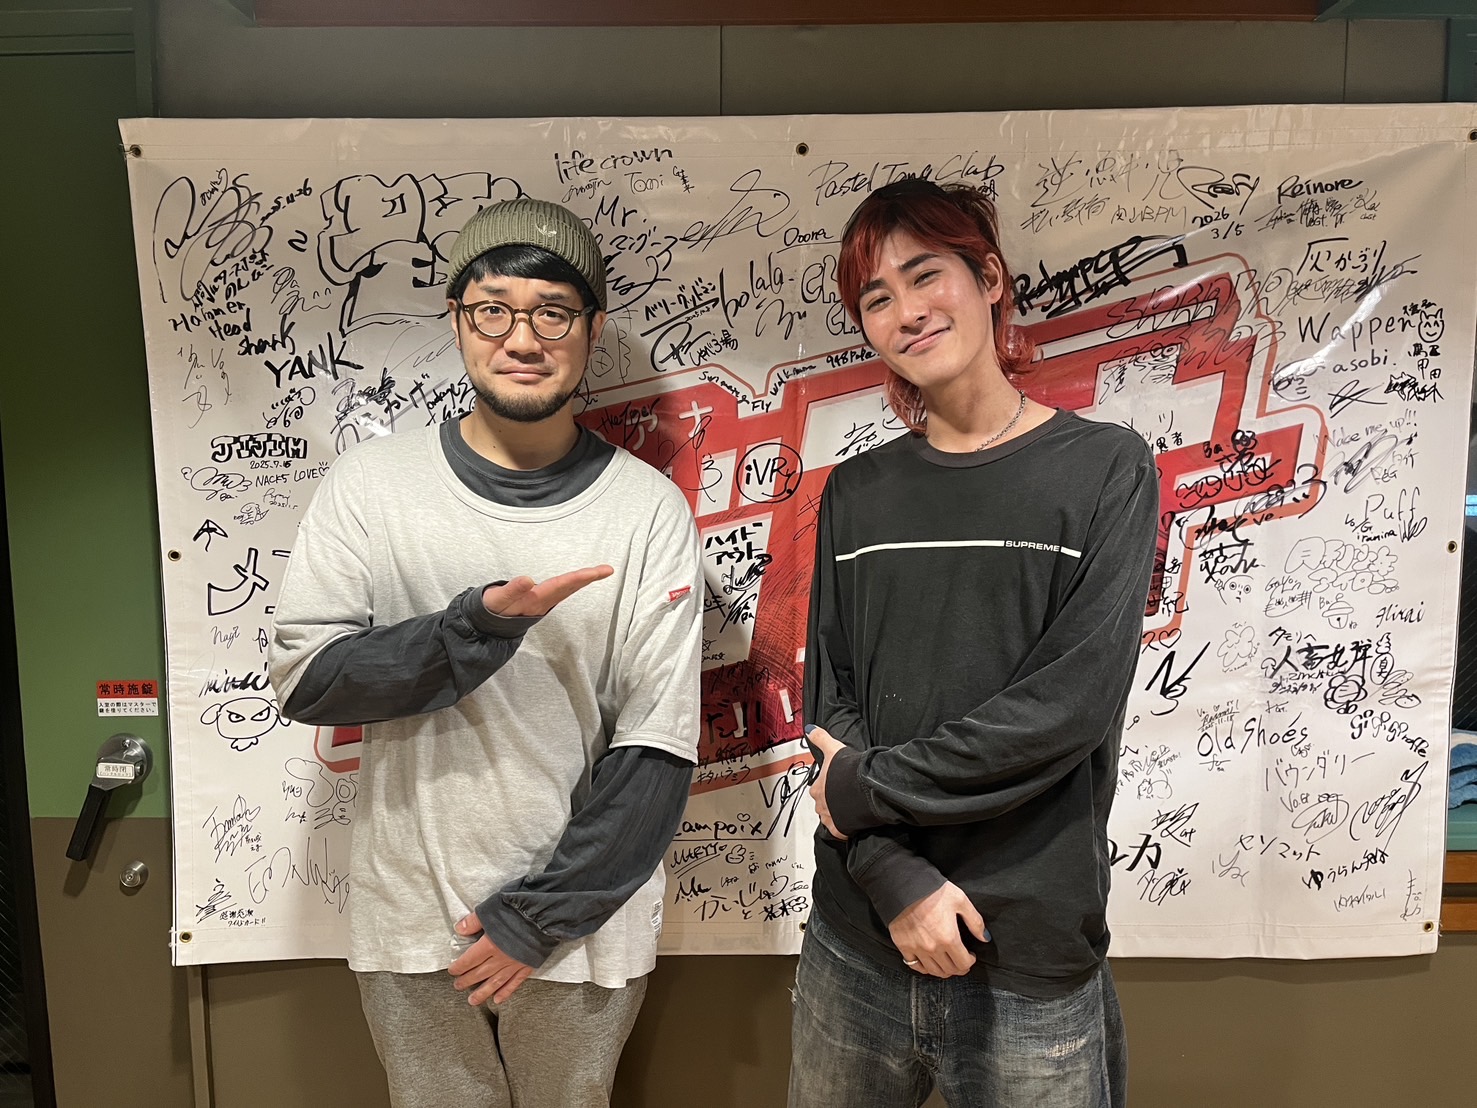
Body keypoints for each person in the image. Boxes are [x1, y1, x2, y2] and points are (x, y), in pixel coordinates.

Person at [268, 196, 702, 1108]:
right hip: (409, 923)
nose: (523, 339)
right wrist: (476, 630)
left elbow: (656, 749)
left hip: (581, 931)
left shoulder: (646, 510)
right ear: (459, 320)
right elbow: (311, 683)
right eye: (493, 310)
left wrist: (536, 920)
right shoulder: (371, 486)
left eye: (553, 313)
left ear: (592, 330)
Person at [792, 178, 1159, 1108]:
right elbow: (831, 705)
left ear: (988, 278)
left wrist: (864, 792)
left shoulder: (1105, 469)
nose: (907, 312)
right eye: (876, 297)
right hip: (856, 939)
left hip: (1026, 953)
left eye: (926, 276)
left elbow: (1065, 711)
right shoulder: (857, 493)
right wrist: (892, 875)